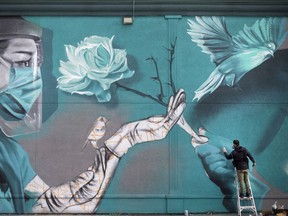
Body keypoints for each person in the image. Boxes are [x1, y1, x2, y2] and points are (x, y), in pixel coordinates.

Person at [0, 17, 189, 213]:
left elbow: (56, 204)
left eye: (35, 65)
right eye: (23, 62)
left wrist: (125, 138)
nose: (34, 80)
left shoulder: (10, 151)